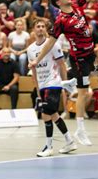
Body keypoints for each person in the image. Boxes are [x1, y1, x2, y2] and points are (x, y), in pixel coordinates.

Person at [29, 0, 98, 146]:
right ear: (58, 2)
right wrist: (36, 60)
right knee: (84, 92)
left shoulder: (76, 6)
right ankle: (80, 130)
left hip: (90, 53)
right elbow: (51, 42)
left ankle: (68, 83)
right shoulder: (60, 21)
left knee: (88, 83)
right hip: (79, 58)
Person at [27, 19, 77, 157]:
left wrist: (65, 83)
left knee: (45, 113)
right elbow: (34, 70)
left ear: (46, 29)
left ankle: (49, 147)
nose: (41, 28)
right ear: (33, 29)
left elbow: (61, 64)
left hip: (54, 82)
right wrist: (37, 88)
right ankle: (69, 141)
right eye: (38, 26)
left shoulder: (53, 44)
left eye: (43, 26)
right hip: (42, 85)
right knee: (53, 114)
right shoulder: (30, 49)